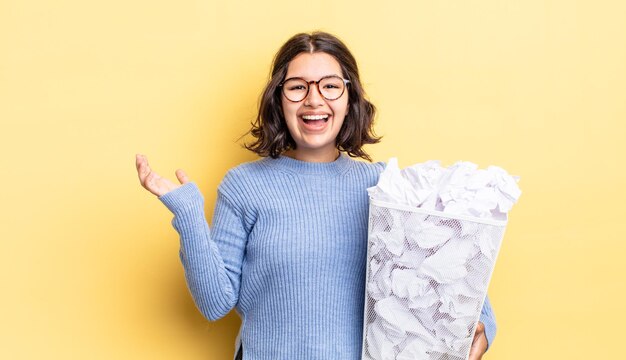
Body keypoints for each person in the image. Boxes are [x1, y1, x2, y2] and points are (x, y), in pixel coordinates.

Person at [135, 31, 496, 360]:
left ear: (349, 96)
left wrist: (484, 324)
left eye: (330, 86)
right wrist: (187, 214)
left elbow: (454, 265)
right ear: (279, 98)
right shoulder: (243, 186)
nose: (314, 100)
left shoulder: (385, 185)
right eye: (297, 87)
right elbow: (215, 303)